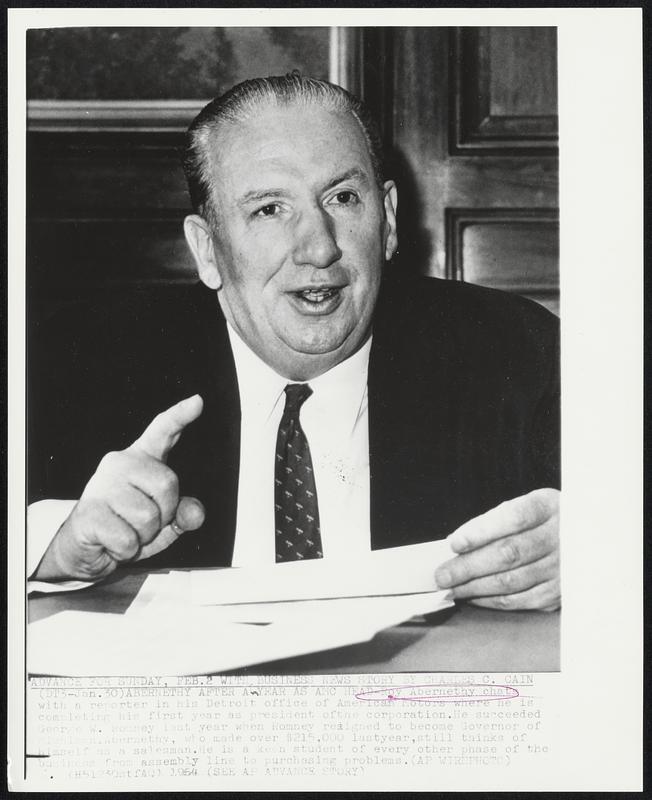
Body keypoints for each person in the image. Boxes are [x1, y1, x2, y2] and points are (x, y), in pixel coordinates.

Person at [28, 74, 560, 611]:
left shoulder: (517, 351)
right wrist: (56, 544)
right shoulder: (77, 360)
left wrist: (596, 546)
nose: (318, 249)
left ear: (389, 220)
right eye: (269, 209)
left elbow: (617, 516)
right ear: (208, 248)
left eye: (343, 197)